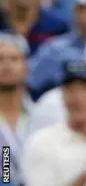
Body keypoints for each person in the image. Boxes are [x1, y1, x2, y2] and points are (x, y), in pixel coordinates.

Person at [23, 59, 86, 186]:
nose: (77, 98)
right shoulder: (41, 142)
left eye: (85, 89)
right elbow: (4, 173)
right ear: (62, 95)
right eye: (70, 89)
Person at [0, 32, 32, 186]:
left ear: (26, 67)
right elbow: (5, 159)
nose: (7, 65)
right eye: (0, 59)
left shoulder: (40, 114)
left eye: (14, 59)